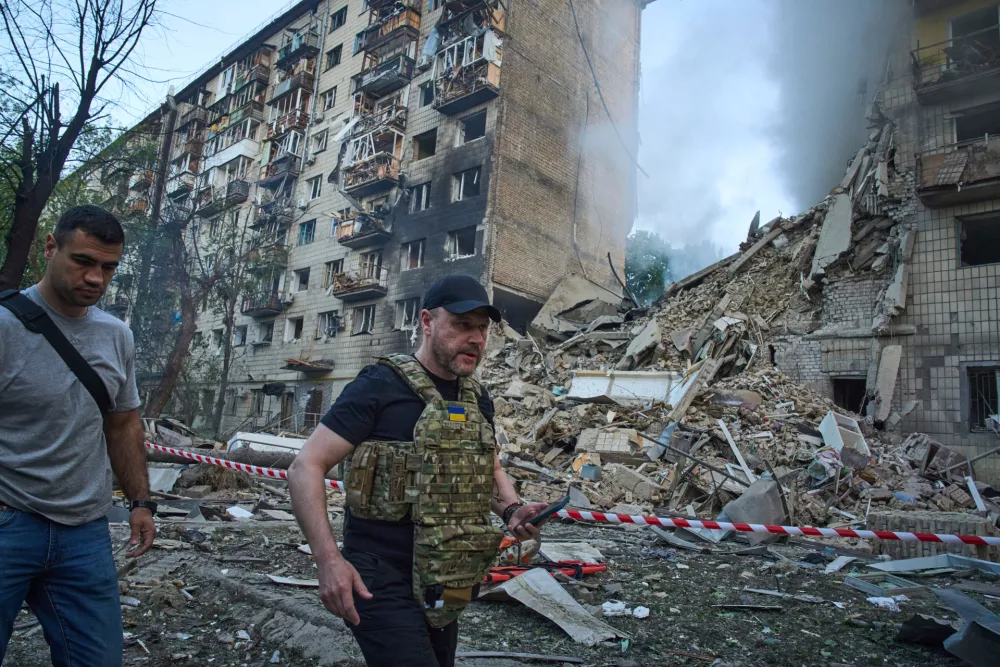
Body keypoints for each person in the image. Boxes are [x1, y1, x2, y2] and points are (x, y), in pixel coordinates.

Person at [289, 275, 550, 667]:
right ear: (427, 322)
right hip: (380, 576)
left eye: (483, 328)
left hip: (451, 575)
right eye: (463, 325)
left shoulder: (476, 397)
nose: (477, 338)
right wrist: (328, 562)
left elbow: (487, 464)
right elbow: (304, 466)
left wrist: (513, 509)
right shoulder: (379, 384)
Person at [0, 205, 155, 667]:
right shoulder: (5, 328)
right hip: (9, 522)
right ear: (51, 247)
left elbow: (123, 423)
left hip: (84, 534)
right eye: (83, 261)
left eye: (108, 267)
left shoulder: (115, 336)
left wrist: (141, 502)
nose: (96, 278)